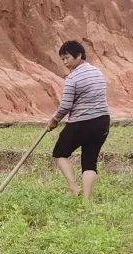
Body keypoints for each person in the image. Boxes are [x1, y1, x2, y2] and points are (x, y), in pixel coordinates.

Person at [47, 40, 110, 201]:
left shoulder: (73, 78)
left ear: (79, 55)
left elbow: (66, 105)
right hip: (102, 122)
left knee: (60, 153)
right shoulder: (98, 72)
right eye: (62, 59)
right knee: (89, 161)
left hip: (81, 123)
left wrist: (54, 120)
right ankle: (86, 201)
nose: (65, 62)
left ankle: (75, 188)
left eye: (67, 57)